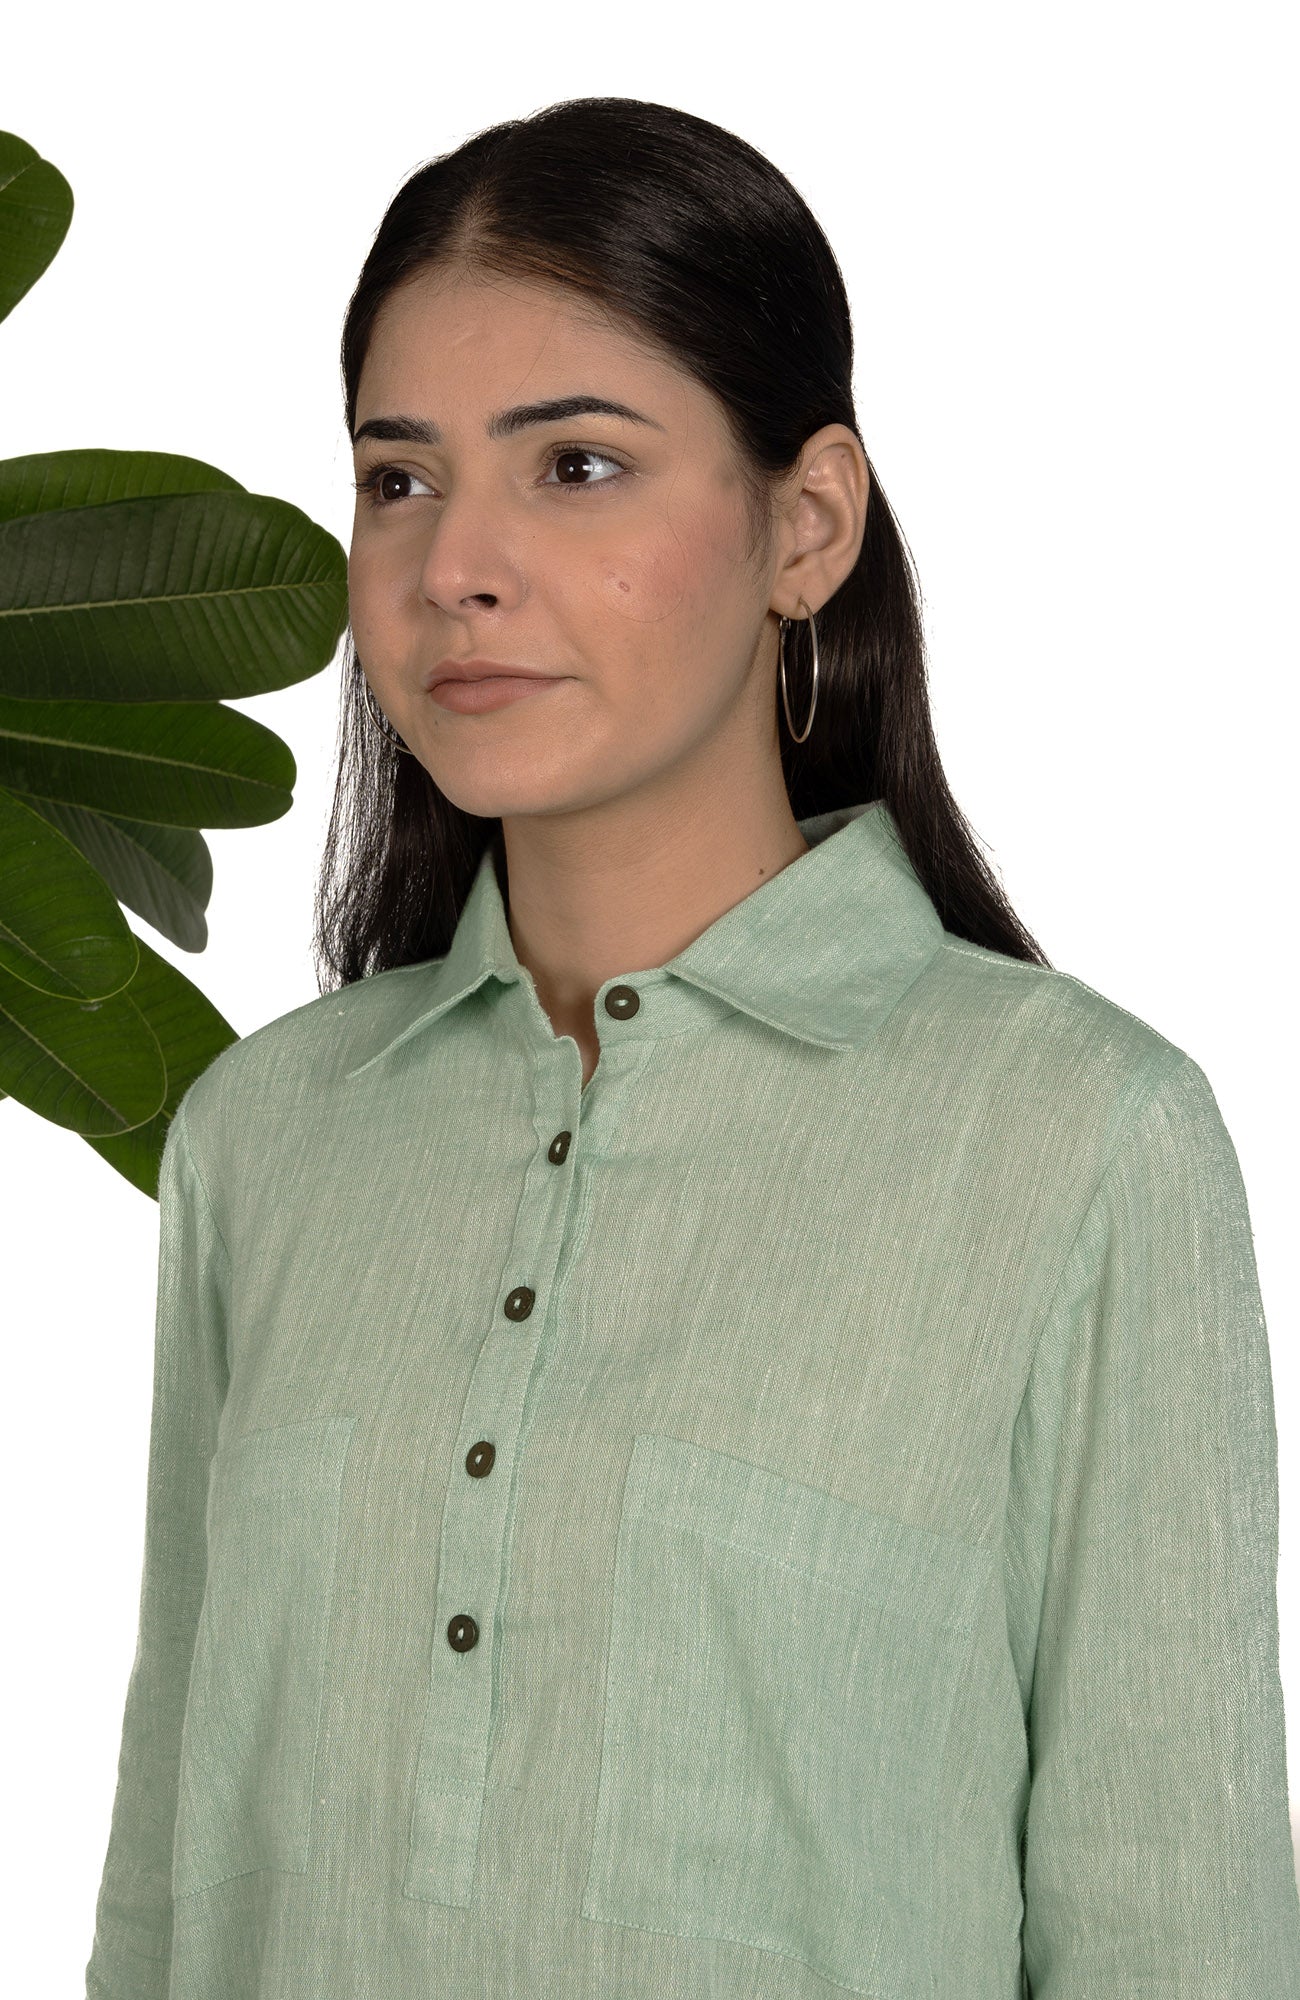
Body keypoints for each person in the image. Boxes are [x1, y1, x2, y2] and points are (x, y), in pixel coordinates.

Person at [85, 96, 1300, 2000]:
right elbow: (167, 1894)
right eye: (398, 480)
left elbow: (1178, 1932)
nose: (455, 565)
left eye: (575, 466)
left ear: (806, 524)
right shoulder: (272, 1135)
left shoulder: (1079, 1137)